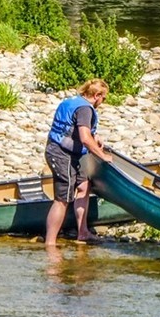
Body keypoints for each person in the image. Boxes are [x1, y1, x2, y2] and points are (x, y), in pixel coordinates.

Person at [43, 79, 112, 248]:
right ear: (96, 96)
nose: (102, 103)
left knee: (84, 185)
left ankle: (83, 232)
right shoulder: (85, 109)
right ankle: (50, 242)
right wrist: (102, 156)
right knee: (62, 199)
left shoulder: (72, 101)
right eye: (103, 99)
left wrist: (95, 137)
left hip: (70, 153)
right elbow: (84, 138)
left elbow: (77, 129)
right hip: (62, 154)